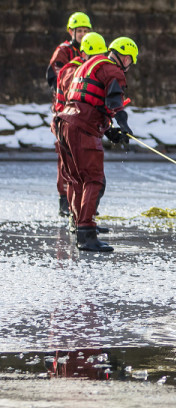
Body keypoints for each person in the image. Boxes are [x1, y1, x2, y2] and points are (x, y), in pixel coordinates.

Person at [56, 36, 138, 252]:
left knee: (75, 179)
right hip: (82, 128)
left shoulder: (87, 65)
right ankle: (87, 234)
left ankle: (77, 225)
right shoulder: (113, 71)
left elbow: (86, 100)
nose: (129, 65)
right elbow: (113, 101)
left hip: (64, 124)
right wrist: (123, 122)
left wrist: (110, 131)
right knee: (94, 180)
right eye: (131, 60)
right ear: (125, 56)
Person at [50, 32, 108, 221]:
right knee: (80, 176)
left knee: (81, 176)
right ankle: (78, 219)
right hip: (69, 124)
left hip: (73, 123)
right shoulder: (72, 69)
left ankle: (81, 218)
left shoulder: (84, 68)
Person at [46, 12, 92, 217]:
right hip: (64, 110)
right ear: (71, 31)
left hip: (82, 112)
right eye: (79, 30)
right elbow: (53, 76)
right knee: (64, 155)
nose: (82, 34)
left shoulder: (91, 51)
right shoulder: (64, 51)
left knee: (81, 155)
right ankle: (63, 198)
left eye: (85, 30)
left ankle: (80, 200)